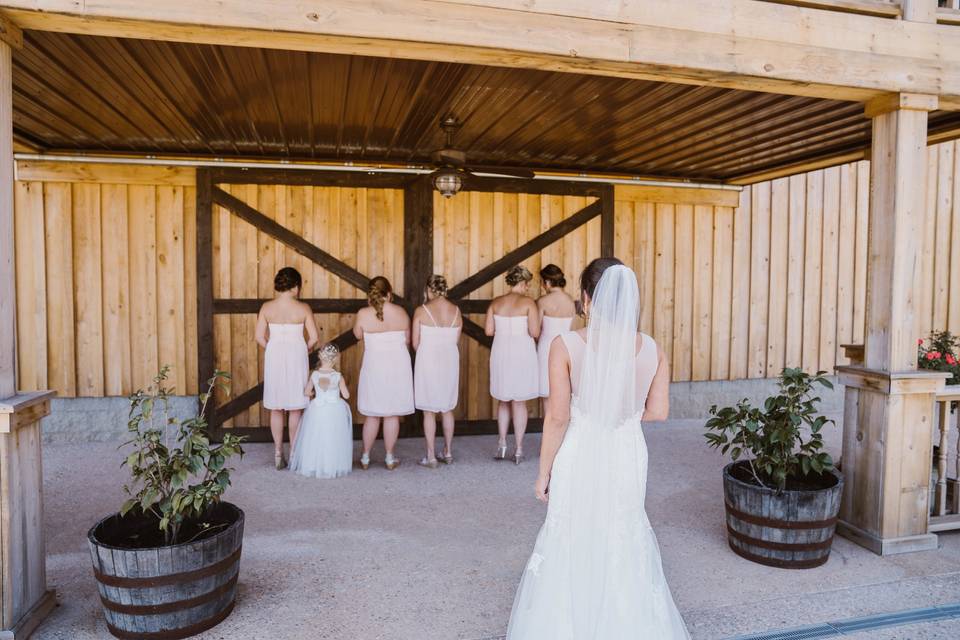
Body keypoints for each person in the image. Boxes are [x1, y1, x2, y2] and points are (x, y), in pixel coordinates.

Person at [507, 258, 690, 640]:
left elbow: (557, 418)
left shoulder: (566, 345)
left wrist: (543, 474)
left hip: (580, 448)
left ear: (587, 300)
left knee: (571, 532)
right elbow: (658, 412)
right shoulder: (652, 349)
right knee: (623, 531)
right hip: (627, 451)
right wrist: (622, 417)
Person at [255, 267, 320, 470]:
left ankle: (277, 452)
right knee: (295, 407)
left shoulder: (267, 307)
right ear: (295, 286)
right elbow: (315, 338)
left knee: (276, 406)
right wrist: (302, 348)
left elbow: (258, 336)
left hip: (274, 356)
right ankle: (293, 453)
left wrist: (272, 348)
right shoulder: (303, 308)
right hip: (296, 357)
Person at [353, 276, 414, 470]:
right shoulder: (401, 312)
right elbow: (407, 340)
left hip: (374, 366)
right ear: (389, 293)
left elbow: (357, 335)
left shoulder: (363, 314)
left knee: (372, 414)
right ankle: (389, 457)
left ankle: (365, 457)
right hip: (397, 366)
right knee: (391, 413)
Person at [485, 265, 540, 464]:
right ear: (523, 283)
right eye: (527, 285)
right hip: (522, 354)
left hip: (501, 353)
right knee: (519, 402)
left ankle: (502, 443)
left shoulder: (496, 303)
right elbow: (535, 332)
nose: (527, 289)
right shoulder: (528, 303)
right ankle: (518, 449)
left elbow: (489, 331)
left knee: (503, 400)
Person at [412, 275, 462, 468]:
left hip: (428, 361)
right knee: (448, 408)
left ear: (429, 290)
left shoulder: (421, 311)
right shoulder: (456, 311)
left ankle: (431, 456)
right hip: (449, 361)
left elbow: (415, 343)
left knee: (429, 411)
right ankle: (448, 452)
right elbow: (455, 341)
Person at [289, 343, 353, 479]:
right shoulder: (338, 376)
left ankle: (312, 464)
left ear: (320, 356)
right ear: (335, 359)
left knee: (315, 436)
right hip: (335, 409)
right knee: (333, 436)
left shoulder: (315, 375)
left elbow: (306, 392)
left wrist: (315, 394)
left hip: (317, 408)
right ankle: (333, 465)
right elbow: (346, 395)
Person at [535, 264, 575, 400]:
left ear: (547, 282)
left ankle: (548, 421)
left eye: (542, 282)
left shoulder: (543, 301)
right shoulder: (570, 301)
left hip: (546, 346)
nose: (542, 286)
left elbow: (536, 328)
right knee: (562, 388)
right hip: (566, 346)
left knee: (547, 392)